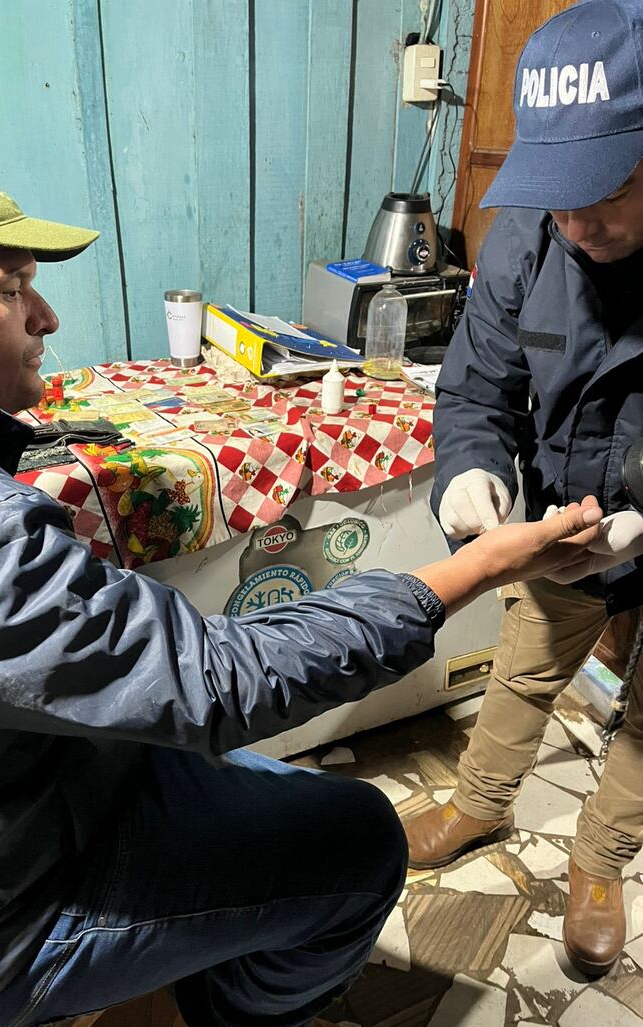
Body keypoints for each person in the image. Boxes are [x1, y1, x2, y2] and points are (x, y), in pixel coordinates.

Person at [0, 144, 603, 1027]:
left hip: (2, 787)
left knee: (247, 783)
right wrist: (478, 567)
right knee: (363, 840)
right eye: (13, 288)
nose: (47, 315)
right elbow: (218, 680)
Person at [403, 0, 643, 980]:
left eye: (607, 189)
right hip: (564, 521)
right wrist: (468, 473)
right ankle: (479, 802)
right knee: (523, 663)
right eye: (557, 192)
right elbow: (475, 390)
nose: (577, 223)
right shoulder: (524, 237)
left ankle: (600, 861)